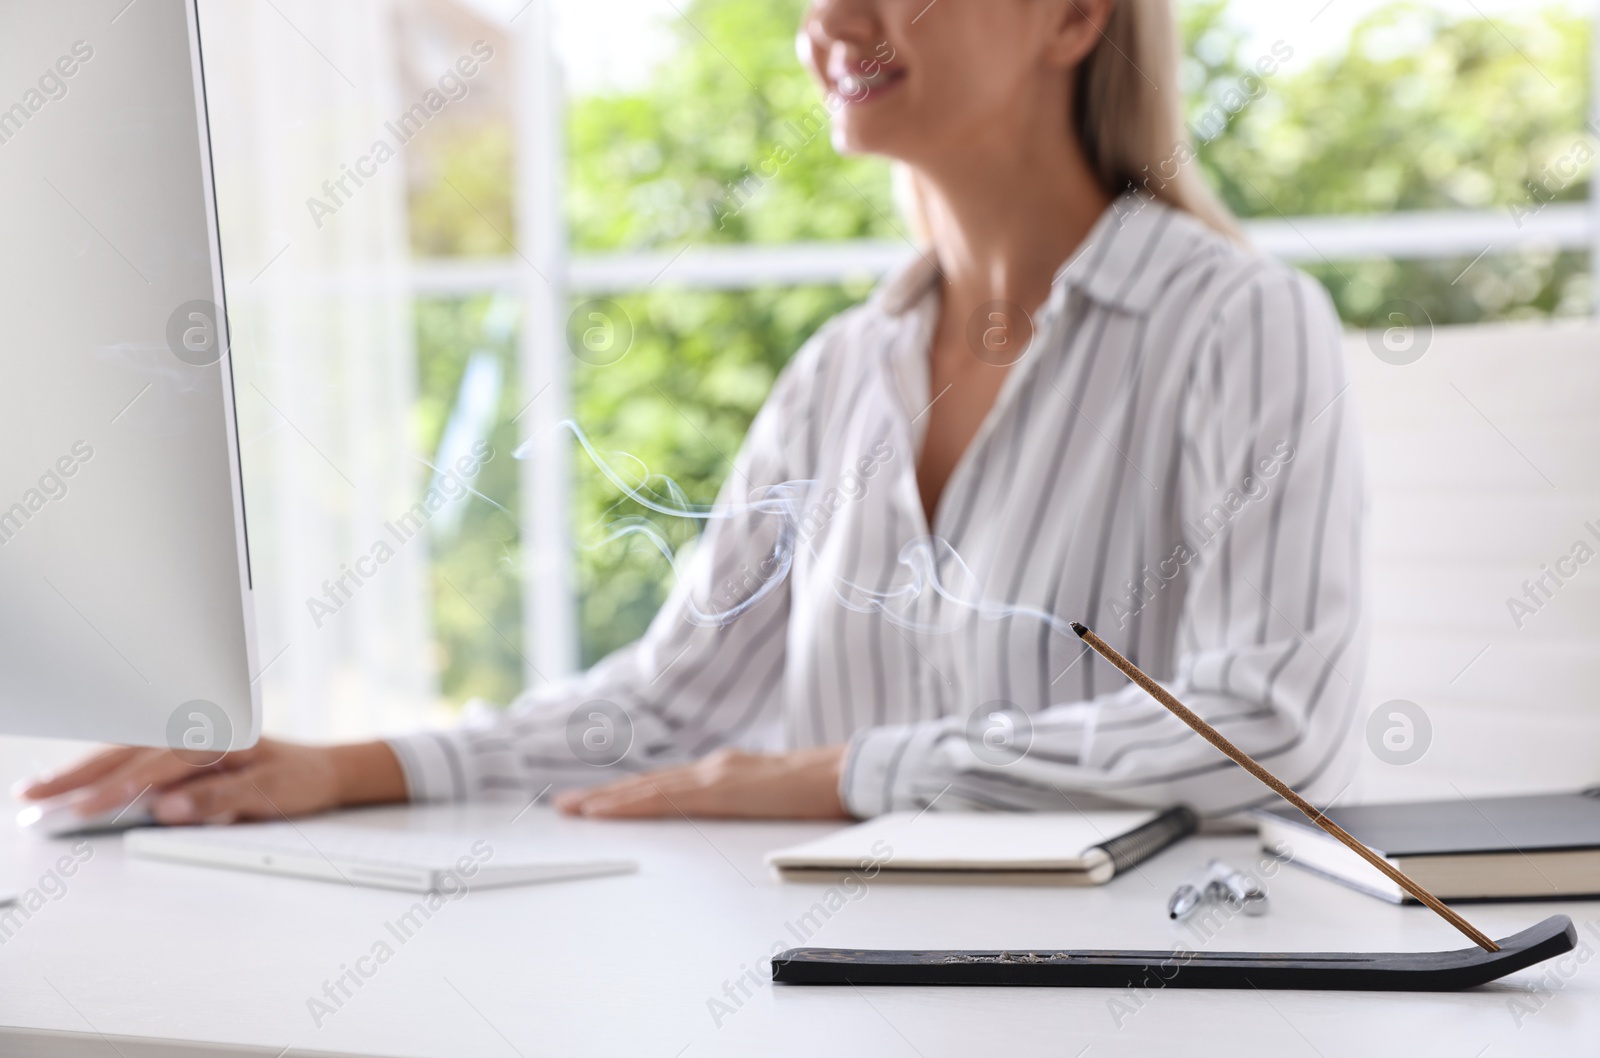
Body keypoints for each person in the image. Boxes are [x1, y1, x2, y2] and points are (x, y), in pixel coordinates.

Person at [21, 0, 1364, 826]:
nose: (831, 18)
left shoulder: (1238, 326)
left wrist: (845, 775)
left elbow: (1270, 723)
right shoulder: (844, 371)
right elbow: (674, 709)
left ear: (1076, 14)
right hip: (841, 984)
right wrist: (351, 765)